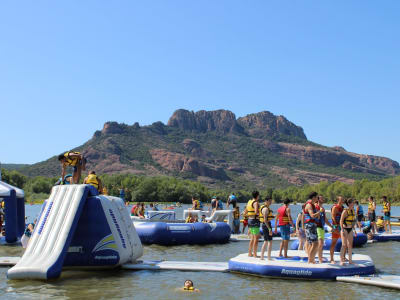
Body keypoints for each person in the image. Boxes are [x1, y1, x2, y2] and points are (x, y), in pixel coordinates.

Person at [303, 192, 322, 264]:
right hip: (310, 226)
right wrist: (319, 212)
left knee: (312, 243)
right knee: (315, 243)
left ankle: (311, 260)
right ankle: (310, 260)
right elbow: (312, 216)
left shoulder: (312, 205)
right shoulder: (309, 205)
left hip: (311, 225)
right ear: (313, 197)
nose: (318, 199)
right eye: (317, 197)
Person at [315, 196, 332, 263]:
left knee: (321, 244)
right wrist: (319, 211)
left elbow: (325, 219)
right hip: (316, 227)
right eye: (321, 198)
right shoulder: (315, 207)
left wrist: (331, 226)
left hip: (322, 227)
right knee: (320, 243)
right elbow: (314, 217)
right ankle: (319, 259)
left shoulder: (323, 209)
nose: (323, 199)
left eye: (323, 198)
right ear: (318, 199)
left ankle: (320, 257)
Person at [339, 199, 357, 265]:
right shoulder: (345, 211)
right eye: (352, 203)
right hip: (344, 229)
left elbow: (353, 221)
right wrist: (342, 229)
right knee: (344, 245)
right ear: (349, 204)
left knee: (350, 245)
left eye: (354, 203)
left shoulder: (353, 211)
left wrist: (354, 230)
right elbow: (341, 220)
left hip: (350, 229)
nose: (353, 204)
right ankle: (341, 260)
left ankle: (350, 260)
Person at [245, 191, 260, 257]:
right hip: (255, 220)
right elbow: (256, 212)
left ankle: (250, 253)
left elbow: (245, 212)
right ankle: (255, 254)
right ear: (257, 196)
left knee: (252, 238)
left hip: (250, 220)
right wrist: (262, 214)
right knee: (256, 238)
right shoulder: (255, 203)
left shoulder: (249, 202)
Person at [330, 196, 345, 264]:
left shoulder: (343, 208)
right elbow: (333, 217)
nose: (342, 200)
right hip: (336, 226)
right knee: (334, 243)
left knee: (344, 243)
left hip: (342, 226)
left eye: (343, 199)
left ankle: (343, 257)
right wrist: (335, 226)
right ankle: (331, 259)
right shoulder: (335, 207)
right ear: (338, 200)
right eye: (341, 199)